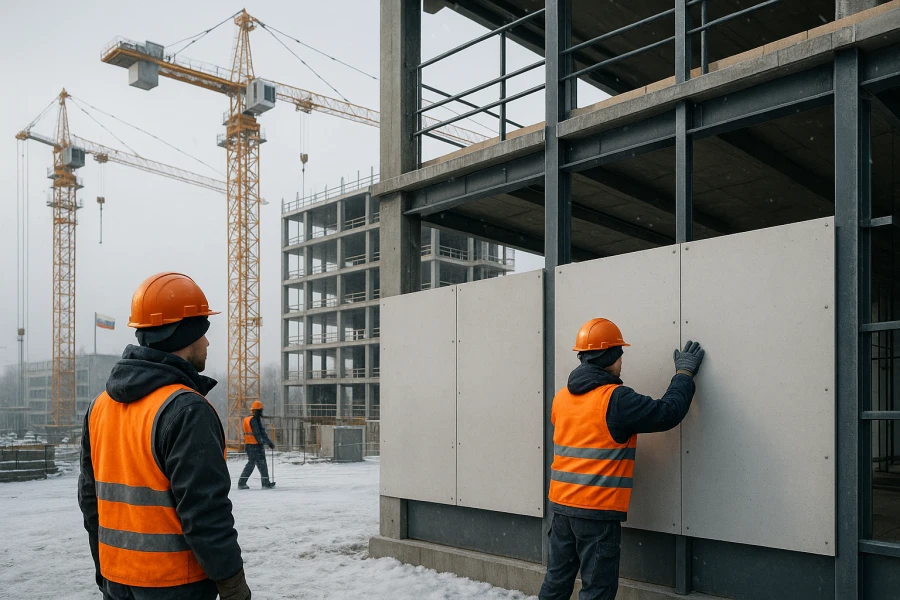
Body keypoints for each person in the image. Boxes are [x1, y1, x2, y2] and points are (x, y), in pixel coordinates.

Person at [77, 272, 251, 600]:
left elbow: (90, 500)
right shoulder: (186, 409)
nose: (208, 342)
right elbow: (205, 512)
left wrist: (105, 568)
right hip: (174, 583)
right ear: (185, 335)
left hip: (117, 581)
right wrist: (233, 586)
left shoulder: (100, 405)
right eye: (203, 332)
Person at [538, 318, 706, 600]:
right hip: (595, 516)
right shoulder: (616, 400)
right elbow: (667, 412)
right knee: (597, 591)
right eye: (620, 353)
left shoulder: (562, 398)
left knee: (556, 583)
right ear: (612, 356)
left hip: (560, 510)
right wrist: (683, 375)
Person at [238, 400, 276, 490]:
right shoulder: (254, 420)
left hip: (249, 445)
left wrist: (267, 442)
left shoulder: (247, 419)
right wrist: (266, 442)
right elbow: (259, 433)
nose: (261, 412)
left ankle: (264, 483)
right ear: (257, 410)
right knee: (256, 463)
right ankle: (242, 483)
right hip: (255, 445)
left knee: (257, 464)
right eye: (260, 410)